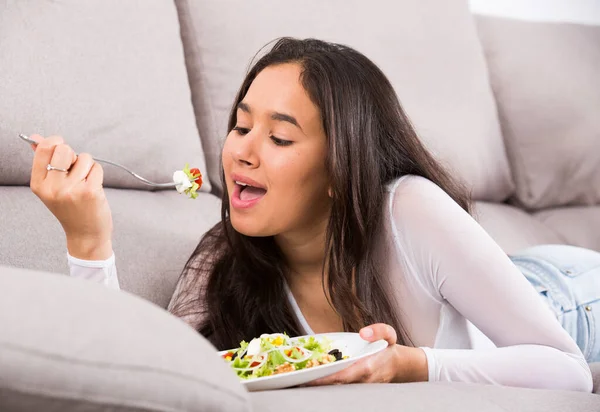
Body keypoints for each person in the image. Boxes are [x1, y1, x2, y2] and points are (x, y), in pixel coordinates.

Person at [27, 38, 598, 392]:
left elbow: (567, 371)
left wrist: (411, 366)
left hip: (570, 301)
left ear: (339, 170)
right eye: (241, 125)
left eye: (279, 136)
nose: (242, 151)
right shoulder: (222, 257)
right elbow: (143, 380)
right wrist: (88, 240)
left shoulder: (410, 209)